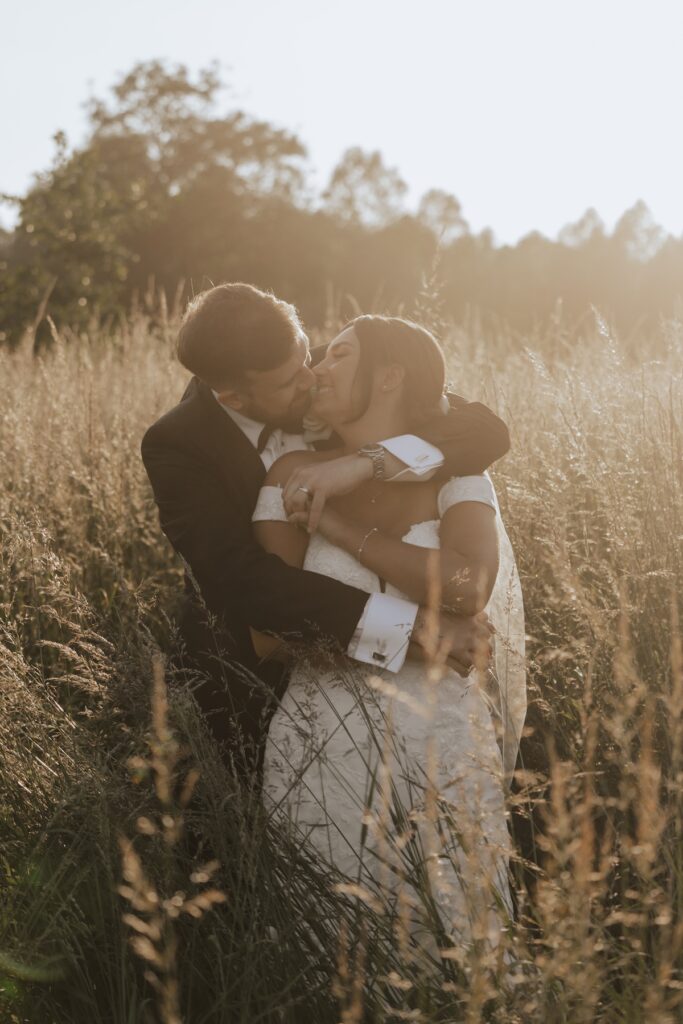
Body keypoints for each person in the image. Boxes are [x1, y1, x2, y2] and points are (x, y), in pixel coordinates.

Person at [141, 283, 511, 777]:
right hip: (254, 676)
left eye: (306, 357)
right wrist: (416, 630)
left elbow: (483, 430)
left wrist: (365, 463)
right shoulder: (179, 445)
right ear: (233, 395)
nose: (311, 378)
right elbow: (249, 584)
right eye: (290, 380)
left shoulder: (316, 373)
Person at [252, 315, 526, 951]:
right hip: (320, 741)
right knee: (327, 949)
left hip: (444, 737)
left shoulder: (459, 471)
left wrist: (341, 533)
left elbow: (466, 587)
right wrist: (417, 632)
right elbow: (267, 635)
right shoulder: (289, 470)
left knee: (462, 934)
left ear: (390, 376)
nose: (317, 368)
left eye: (338, 355)